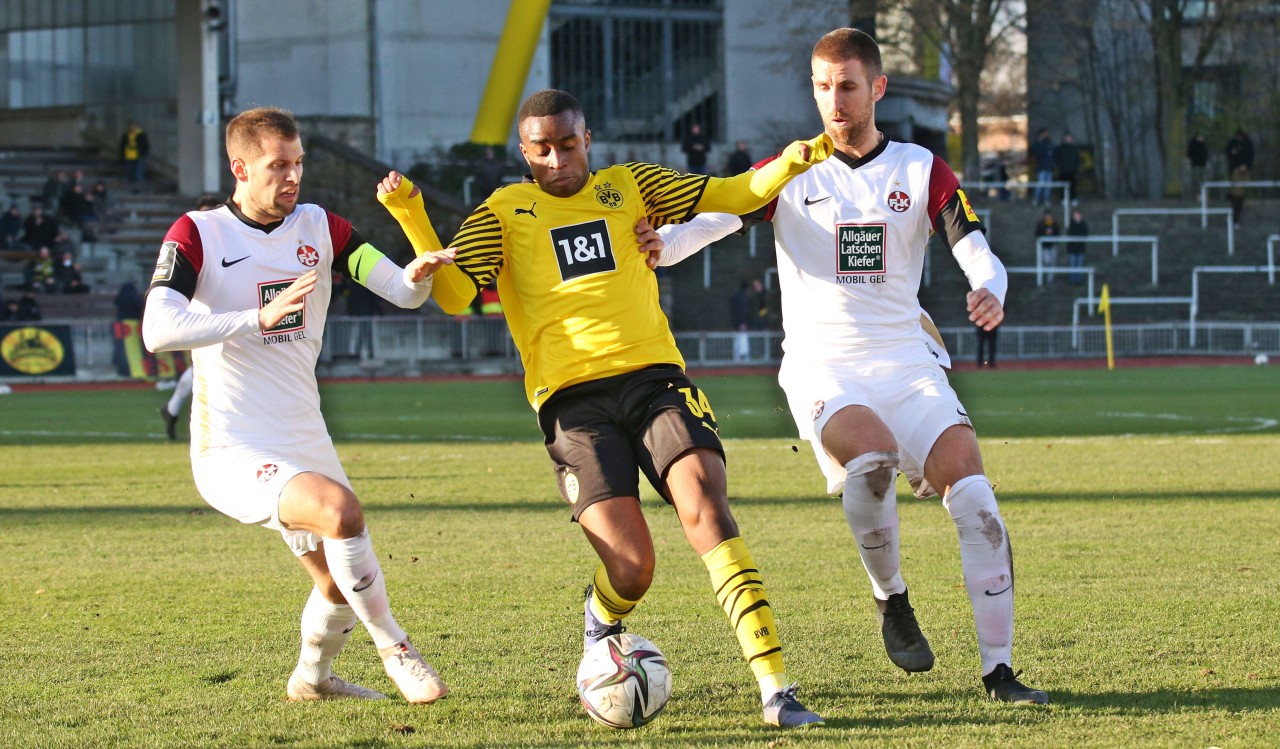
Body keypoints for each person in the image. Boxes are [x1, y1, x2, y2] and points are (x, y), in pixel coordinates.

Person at [379, 88, 833, 727]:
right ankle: (604, 617)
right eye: (542, 149)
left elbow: (732, 194)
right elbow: (455, 295)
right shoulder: (505, 211)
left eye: (568, 144)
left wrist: (791, 161)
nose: (557, 159)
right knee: (633, 564)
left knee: (705, 503)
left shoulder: (631, 186)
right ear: (524, 152)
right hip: (571, 403)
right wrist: (413, 218)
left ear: (586, 139)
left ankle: (776, 691)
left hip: (655, 377)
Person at [653, 28, 1046, 705]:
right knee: (870, 460)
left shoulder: (922, 169)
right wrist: (655, 244)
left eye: (847, 86)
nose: (833, 101)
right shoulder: (790, 170)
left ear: (878, 89)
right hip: (823, 366)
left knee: (977, 499)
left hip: (908, 360)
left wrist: (991, 289)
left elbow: (977, 248)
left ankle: (999, 671)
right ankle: (891, 597)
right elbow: (712, 222)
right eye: (821, 86)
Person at [141, 106, 457, 704]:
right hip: (231, 447)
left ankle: (312, 681)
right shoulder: (197, 232)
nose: (292, 177)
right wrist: (253, 318)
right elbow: (158, 330)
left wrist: (415, 272)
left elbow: (403, 293)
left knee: (338, 586)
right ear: (240, 166)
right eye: (277, 165)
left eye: (299, 164)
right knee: (341, 512)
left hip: (303, 436)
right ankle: (396, 647)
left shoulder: (322, 228)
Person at [158, 194, 223, 441]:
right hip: (203, 316)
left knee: (201, 370)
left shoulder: (230, 239)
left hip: (226, 315)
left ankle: (172, 410)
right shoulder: (190, 238)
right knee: (207, 368)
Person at [730, 278, 766, 361]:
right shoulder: (745, 297)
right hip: (746, 323)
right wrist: (743, 322)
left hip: (743, 323)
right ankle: (743, 358)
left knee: (740, 340)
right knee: (743, 340)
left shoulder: (740, 296)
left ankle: (739, 358)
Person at [1028, 128, 1055, 205]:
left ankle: (1046, 199)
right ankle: (1036, 198)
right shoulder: (1037, 143)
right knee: (1040, 183)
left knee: (1048, 185)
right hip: (1041, 167)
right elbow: (1036, 153)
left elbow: (1051, 155)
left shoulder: (1049, 143)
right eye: (1044, 133)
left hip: (1049, 167)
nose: (1046, 135)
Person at [1066, 209, 1089, 285]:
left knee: (1079, 265)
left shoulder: (1083, 225)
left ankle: (1079, 280)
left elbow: (1085, 233)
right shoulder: (1071, 225)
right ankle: (1073, 280)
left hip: (1080, 248)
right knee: (1073, 265)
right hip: (1072, 249)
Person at [1055, 133, 1080, 201]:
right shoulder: (1060, 149)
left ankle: (1073, 198)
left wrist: (1076, 168)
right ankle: (1063, 198)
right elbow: (1057, 159)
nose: (1069, 140)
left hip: (1072, 171)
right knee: (1063, 186)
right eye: (1067, 138)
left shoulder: (1074, 149)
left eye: (1070, 138)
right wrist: (1060, 167)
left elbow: (1077, 159)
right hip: (1063, 171)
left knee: (1073, 186)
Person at [1034, 210, 1059, 278]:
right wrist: (1045, 233)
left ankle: (1050, 278)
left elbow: (1057, 234)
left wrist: (1052, 235)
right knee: (1047, 261)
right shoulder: (1041, 224)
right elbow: (1037, 234)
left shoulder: (1054, 224)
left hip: (1052, 245)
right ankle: (1045, 275)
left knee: (1052, 262)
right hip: (1045, 246)